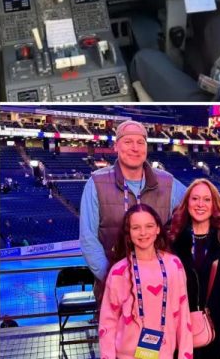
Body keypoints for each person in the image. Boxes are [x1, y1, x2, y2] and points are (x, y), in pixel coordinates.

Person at [79, 119, 186, 304]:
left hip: (159, 288)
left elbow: (200, 205)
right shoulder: (96, 183)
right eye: (128, 142)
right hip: (114, 291)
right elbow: (88, 239)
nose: (135, 148)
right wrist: (115, 279)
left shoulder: (168, 183)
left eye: (140, 142)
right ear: (116, 146)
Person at [99, 204, 193, 359]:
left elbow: (183, 316)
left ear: (157, 229)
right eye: (136, 228)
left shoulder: (173, 265)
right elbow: (108, 321)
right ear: (128, 233)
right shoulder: (119, 271)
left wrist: (185, 354)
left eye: (149, 226)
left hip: (165, 354)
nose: (143, 233)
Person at [168, 178, 220, 359]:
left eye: (207, 199)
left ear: (214, 204)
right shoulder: (171, 235)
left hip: (219, 327)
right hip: (180, 326)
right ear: (187, 203)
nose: (200, 204)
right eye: (195, 199)